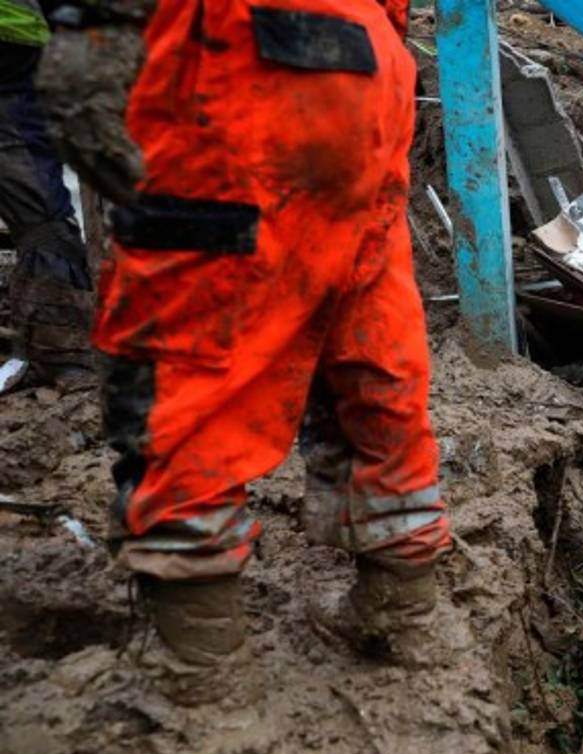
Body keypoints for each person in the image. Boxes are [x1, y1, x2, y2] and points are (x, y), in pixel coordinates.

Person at [38, 0, 449, 704]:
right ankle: (403, 608)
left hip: (238, 53)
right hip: (372, 65)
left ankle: (201, 656)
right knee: (369, 330)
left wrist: (91, 29)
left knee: (190, 355)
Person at [0, 0, 93, 390]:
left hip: (12, 47)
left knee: (36, 203)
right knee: (33, 195)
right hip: (17, 44)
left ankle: (63, 351)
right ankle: (61, 351)